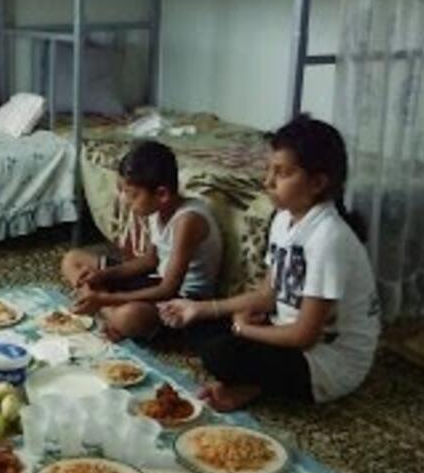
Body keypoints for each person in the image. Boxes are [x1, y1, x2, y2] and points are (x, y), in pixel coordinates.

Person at [158, 115, 380, 411]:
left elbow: (305, 335)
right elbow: (267, 294)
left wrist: (243, 330)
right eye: (269, 170)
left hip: (326, 363)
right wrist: (201, 309)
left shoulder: (329, 238)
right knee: (197, 323)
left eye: (282, 173)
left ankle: (252, 384)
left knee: (220, 354)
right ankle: (251, 382)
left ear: (317, 183)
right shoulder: (284, 218)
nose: (267, 182)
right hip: (283, 332)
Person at [60, 140, 222, 341]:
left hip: (183, 300)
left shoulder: (188, 221)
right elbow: (150, 261)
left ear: (162, 194)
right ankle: (104, 307)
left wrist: (107, 299)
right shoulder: (157, 209)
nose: (124, 200)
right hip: (156, 280)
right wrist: (103, 275)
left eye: (132, 194)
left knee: (130, 317)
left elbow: (168, 290)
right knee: (72, 259)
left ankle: (104, 309)